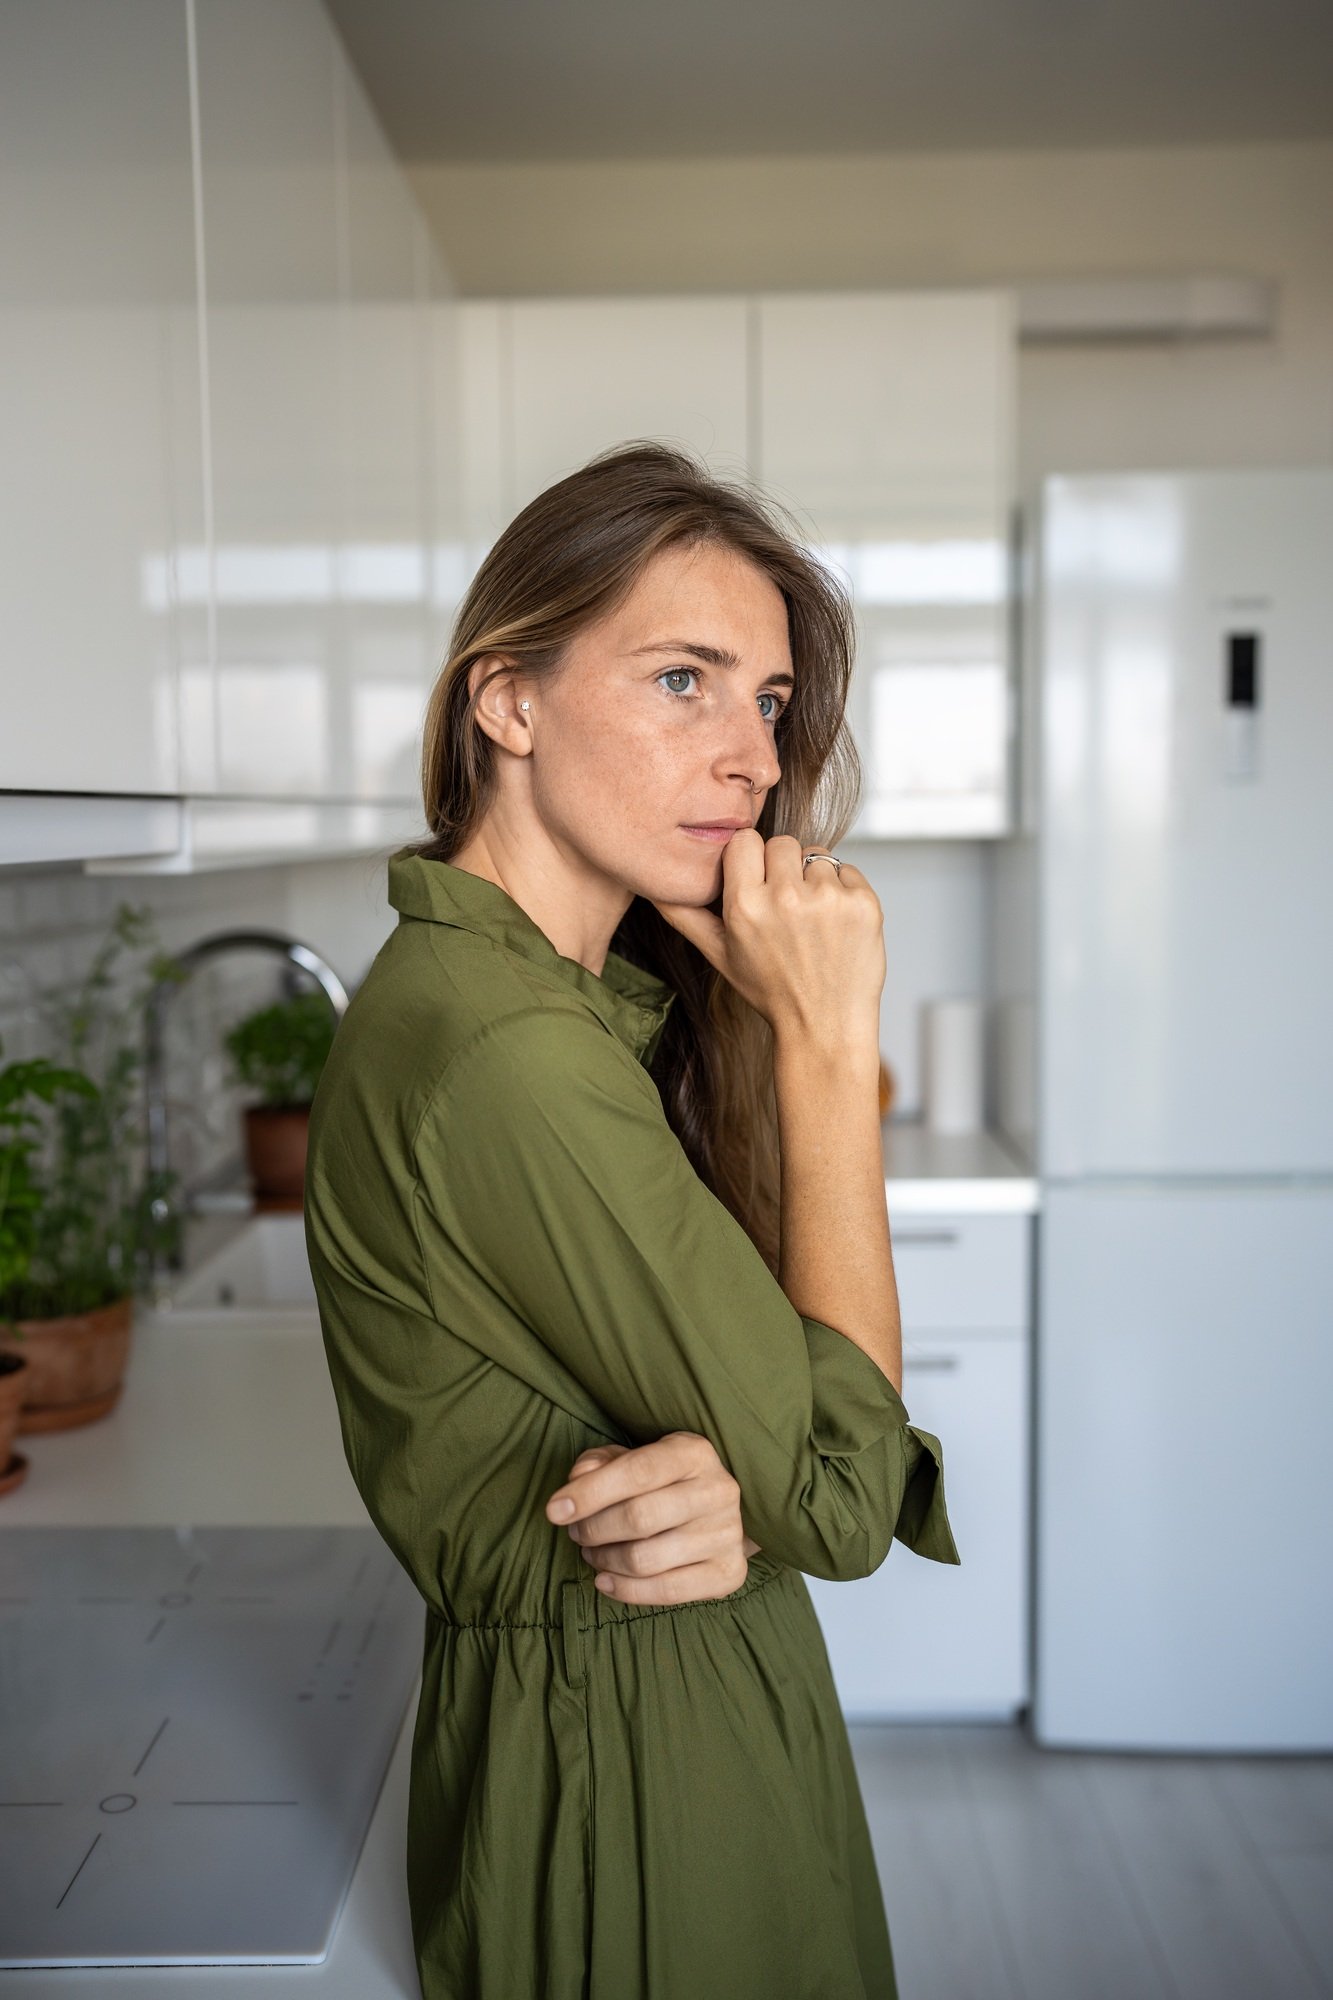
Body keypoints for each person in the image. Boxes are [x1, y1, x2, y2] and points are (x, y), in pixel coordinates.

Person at [304, 439, 961, 1999]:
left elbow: (771, 1469)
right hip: (633, 1776)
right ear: (506, 700)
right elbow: (841, 1492)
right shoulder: (508, 1050)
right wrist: (823, 1043)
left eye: (771, 701)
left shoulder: (552, 1003)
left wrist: (736, 1483)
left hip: (650, 1722)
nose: (747, 755)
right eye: (683, 679)